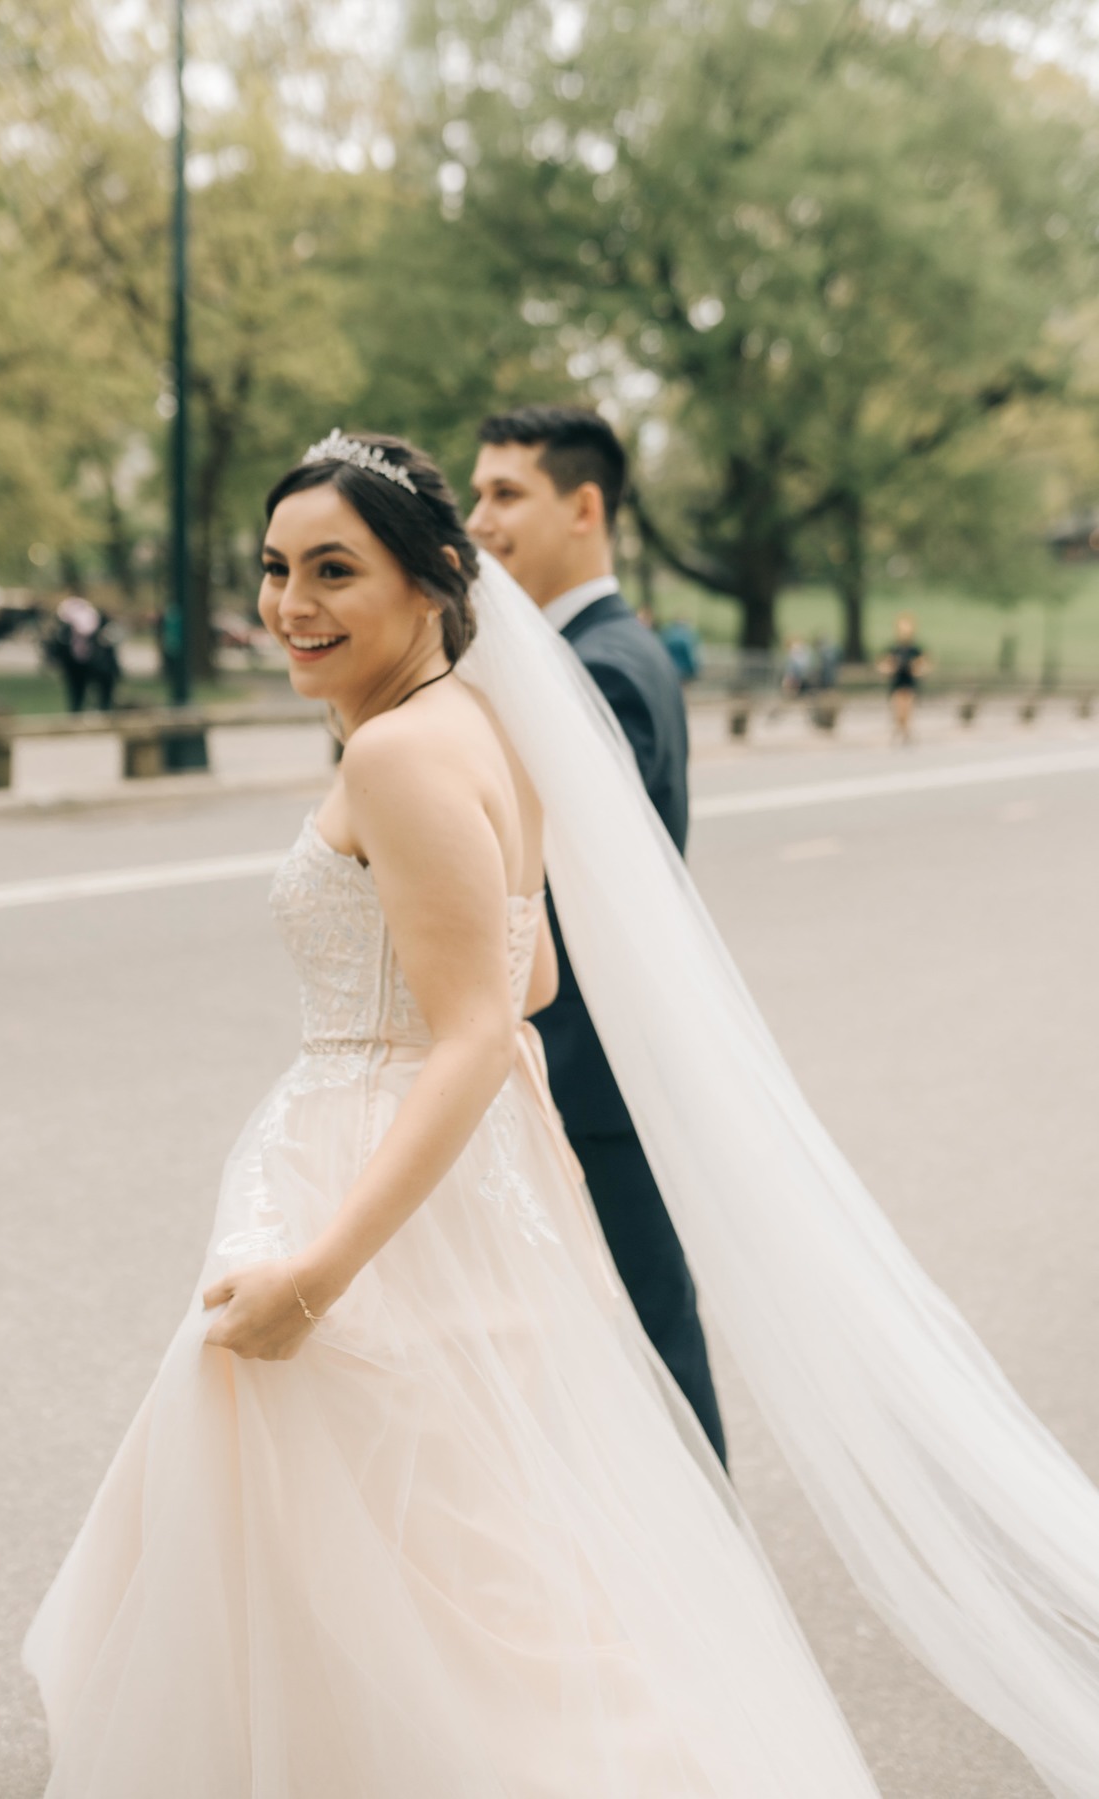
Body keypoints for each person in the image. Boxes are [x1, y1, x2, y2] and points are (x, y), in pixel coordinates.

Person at [24, 432, 1099, 1799]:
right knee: (469, 1547)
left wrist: (320, 1268)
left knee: (384, 1564)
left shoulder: (404, 754)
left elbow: (478, 1025)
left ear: (432, 584)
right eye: (277, 568)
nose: (291, 603)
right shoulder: (485, 729)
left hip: (371, 1179)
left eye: (335, 570)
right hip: (462, 1183)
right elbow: (527, 974)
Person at [468, 404, 726, 1467]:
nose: (478, 519)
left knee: (650, 1353)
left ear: (585, 507)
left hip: (592, 1078)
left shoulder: (604, 669)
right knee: (611, 1351)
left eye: (504, 494)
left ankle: (714, 1599)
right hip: (587, 1072)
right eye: (476, 492)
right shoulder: (582, 653)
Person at [46, 596, 120, 712]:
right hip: (76, 665)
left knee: (102, 695)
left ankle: (102, 711)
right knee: (77, 693)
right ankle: (78, 713)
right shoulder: (66, 631)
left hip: (97, 665)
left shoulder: (99, 627)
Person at [877, 613, 930, 744]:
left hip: (909, 683)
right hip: (897, 683)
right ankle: (901, 730)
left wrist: (917, 669)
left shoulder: (915, 650)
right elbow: (884, 664)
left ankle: (905, 731)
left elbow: (924, 664)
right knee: (898, 709)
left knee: (907, 709)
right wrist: (890, 668)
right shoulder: (894, 649)